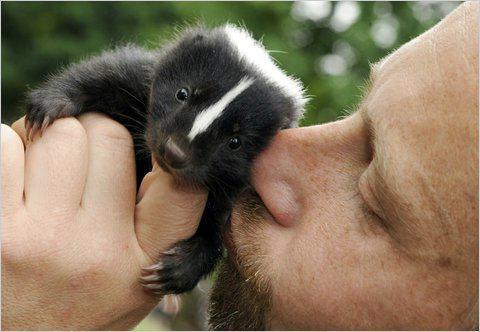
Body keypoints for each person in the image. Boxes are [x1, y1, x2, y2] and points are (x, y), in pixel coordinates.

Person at [1, 2, 477, 330]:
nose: (270, 163)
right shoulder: (138, 78)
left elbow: (207, 241)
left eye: (374, 200)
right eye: (353, 114)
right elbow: (90, 82)